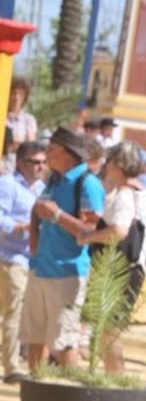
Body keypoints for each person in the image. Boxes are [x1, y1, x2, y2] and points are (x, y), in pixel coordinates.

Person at [23, 127, 105, 370]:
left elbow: (91, 231)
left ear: (66, 153)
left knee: (65, 343)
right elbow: (39, 208)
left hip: (67, 273)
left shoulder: (88, 183)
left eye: (51, 149)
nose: (46, 153)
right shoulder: (54, 178)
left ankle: (67, 400)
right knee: (35, 339)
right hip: (40, 268)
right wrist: (34, 244)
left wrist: (57, 215)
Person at [77, 141, 146, 374]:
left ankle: (115, 380)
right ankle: (114, 379)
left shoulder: (124, 194)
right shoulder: (143, 194)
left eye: (110, 161)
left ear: (119, 166)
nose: (106, 166)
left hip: (120, 271)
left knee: (108, 334)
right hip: (132, 269)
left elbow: (120, 230)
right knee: (108, 333)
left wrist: (90, 237)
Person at [0, 141, 46, 382]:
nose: (40, 167)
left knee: (17, 313)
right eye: (35, 162)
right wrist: (20, 228)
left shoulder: (41, 188)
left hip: (31, 260)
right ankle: (11, 367)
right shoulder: (7, 185)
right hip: (10, 257)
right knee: (14, 311)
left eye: (43, 162)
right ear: (20, 162)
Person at [6, 77, 37, 147]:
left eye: (21, 94)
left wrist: (11, 142)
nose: (17, 98)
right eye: (14, 93)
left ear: (24, 98)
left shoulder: (28, 120)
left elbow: (30, 145)